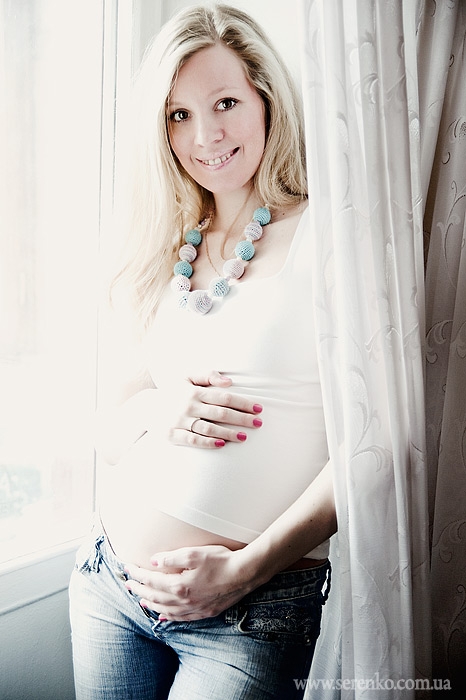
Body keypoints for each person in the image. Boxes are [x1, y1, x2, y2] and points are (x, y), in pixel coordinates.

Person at [69, 3, 337, 699]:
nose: (206, 135)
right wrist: (159, 411)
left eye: (225, 103)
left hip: (249, 613)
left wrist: (247, 568)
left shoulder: (328, 236)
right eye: (179, 115)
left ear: (266, 99)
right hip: (109, 589)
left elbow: (375, 446)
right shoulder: (164, 243)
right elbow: (108, 432)